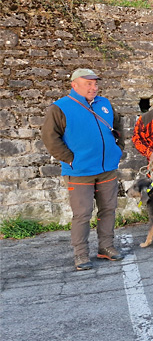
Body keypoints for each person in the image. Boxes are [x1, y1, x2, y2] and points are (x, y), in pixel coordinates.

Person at [42, 68, 125, 271]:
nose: (93, 87)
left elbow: (118, 125)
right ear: (74, 85)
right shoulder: (60, 108)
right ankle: (81, 254)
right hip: (79, 172)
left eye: (95, 83)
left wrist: (117, 150)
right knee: (82, 214)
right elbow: (50, 138)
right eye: (88, 83)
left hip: (107, 169)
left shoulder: (104, 104)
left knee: (108, 210)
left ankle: (106, 247)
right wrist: (71, 160)